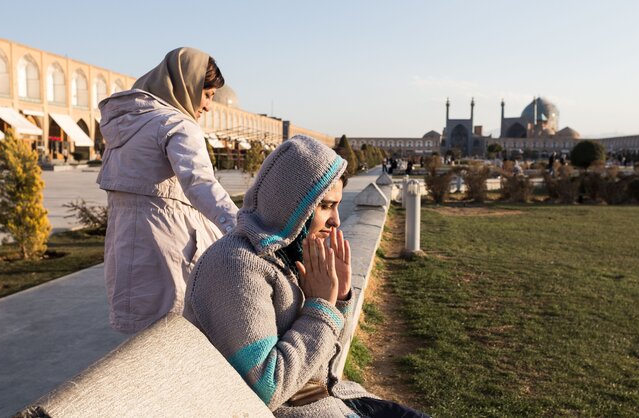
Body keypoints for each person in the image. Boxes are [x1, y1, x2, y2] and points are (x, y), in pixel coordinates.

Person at [185, 136, 427, 417]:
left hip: (328, 398)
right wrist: (322, 305)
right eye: (325, 206)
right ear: (290, 205)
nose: (336, 220)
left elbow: (324, 357)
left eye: (337, 206)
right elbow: (268, 388)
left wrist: (340, 297)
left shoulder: (288, 254)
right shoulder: (235, 266)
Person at [96, 47, 238, 333]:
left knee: (140, 346)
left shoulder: (126, 125)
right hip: (168, 251)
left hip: (125, 253)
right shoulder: (176, 123)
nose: (209, 106)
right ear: (186, 84)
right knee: (176, 345)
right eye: (207, 94)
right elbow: (200, 183)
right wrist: (242, 228)